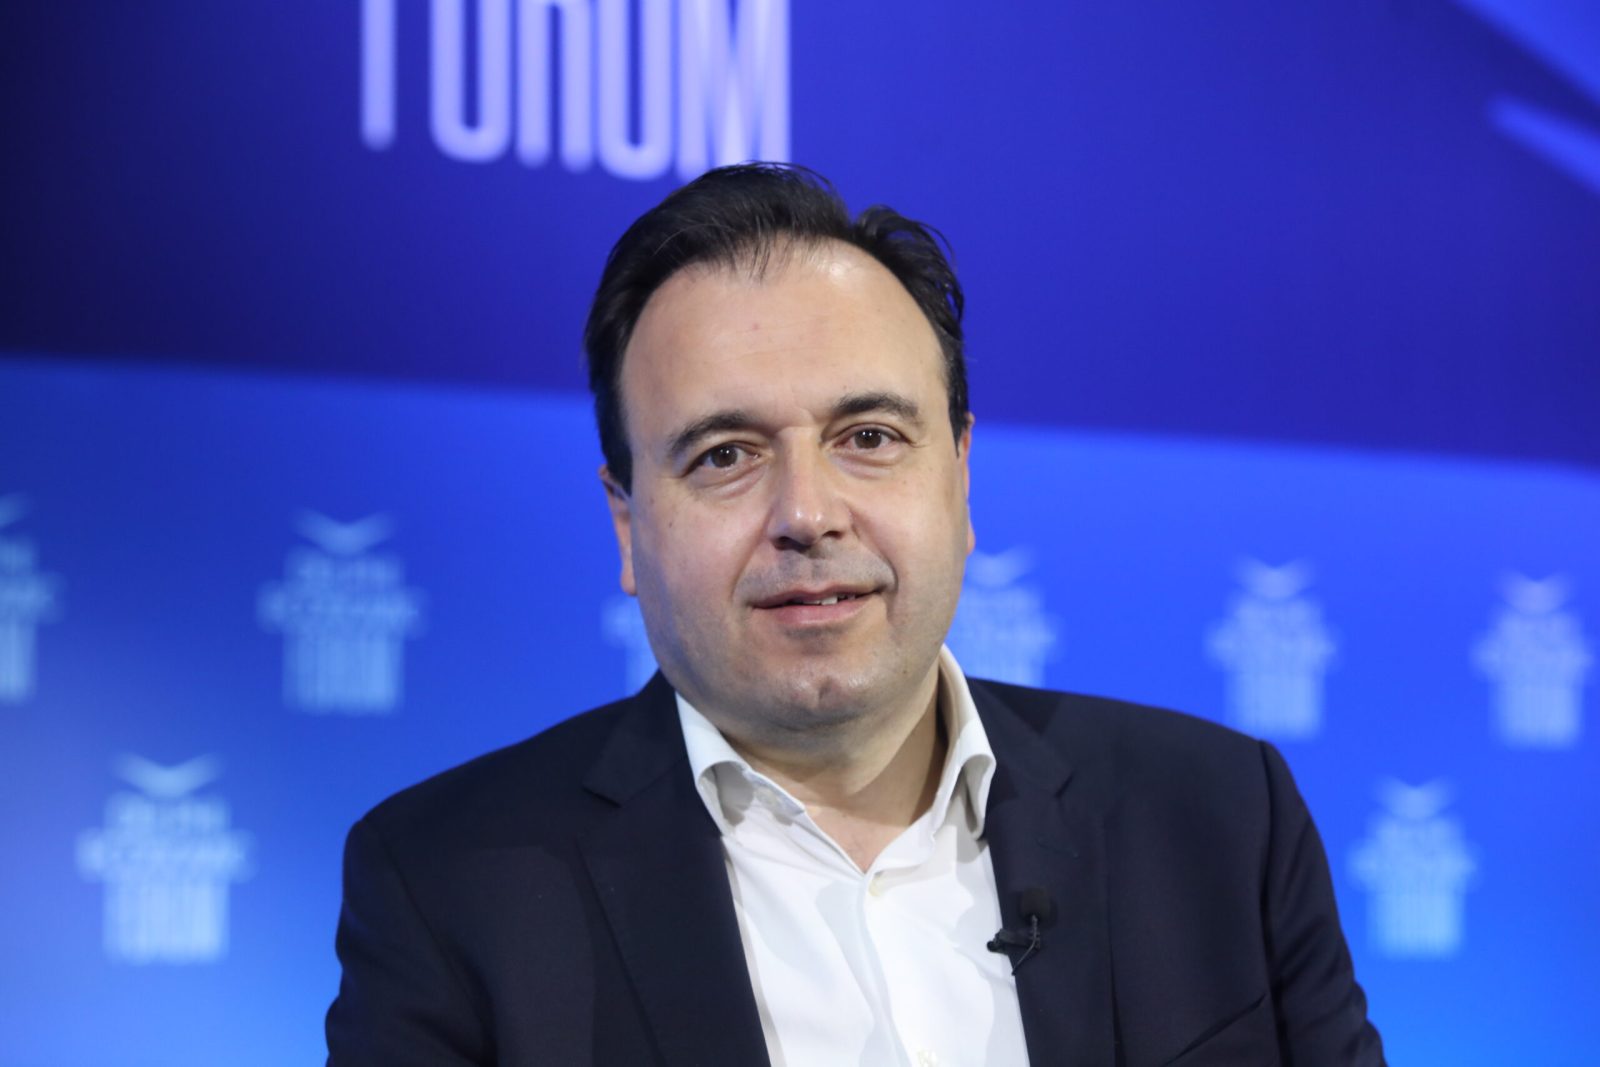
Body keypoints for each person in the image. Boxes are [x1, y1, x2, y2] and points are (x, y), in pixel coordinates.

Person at [326, 163, 1384, 1066]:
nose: (807, 513)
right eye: (725, 455)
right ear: (627, 523)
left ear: (959, 472)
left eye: (868, 437)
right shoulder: (449, 886)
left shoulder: (1219, 820)